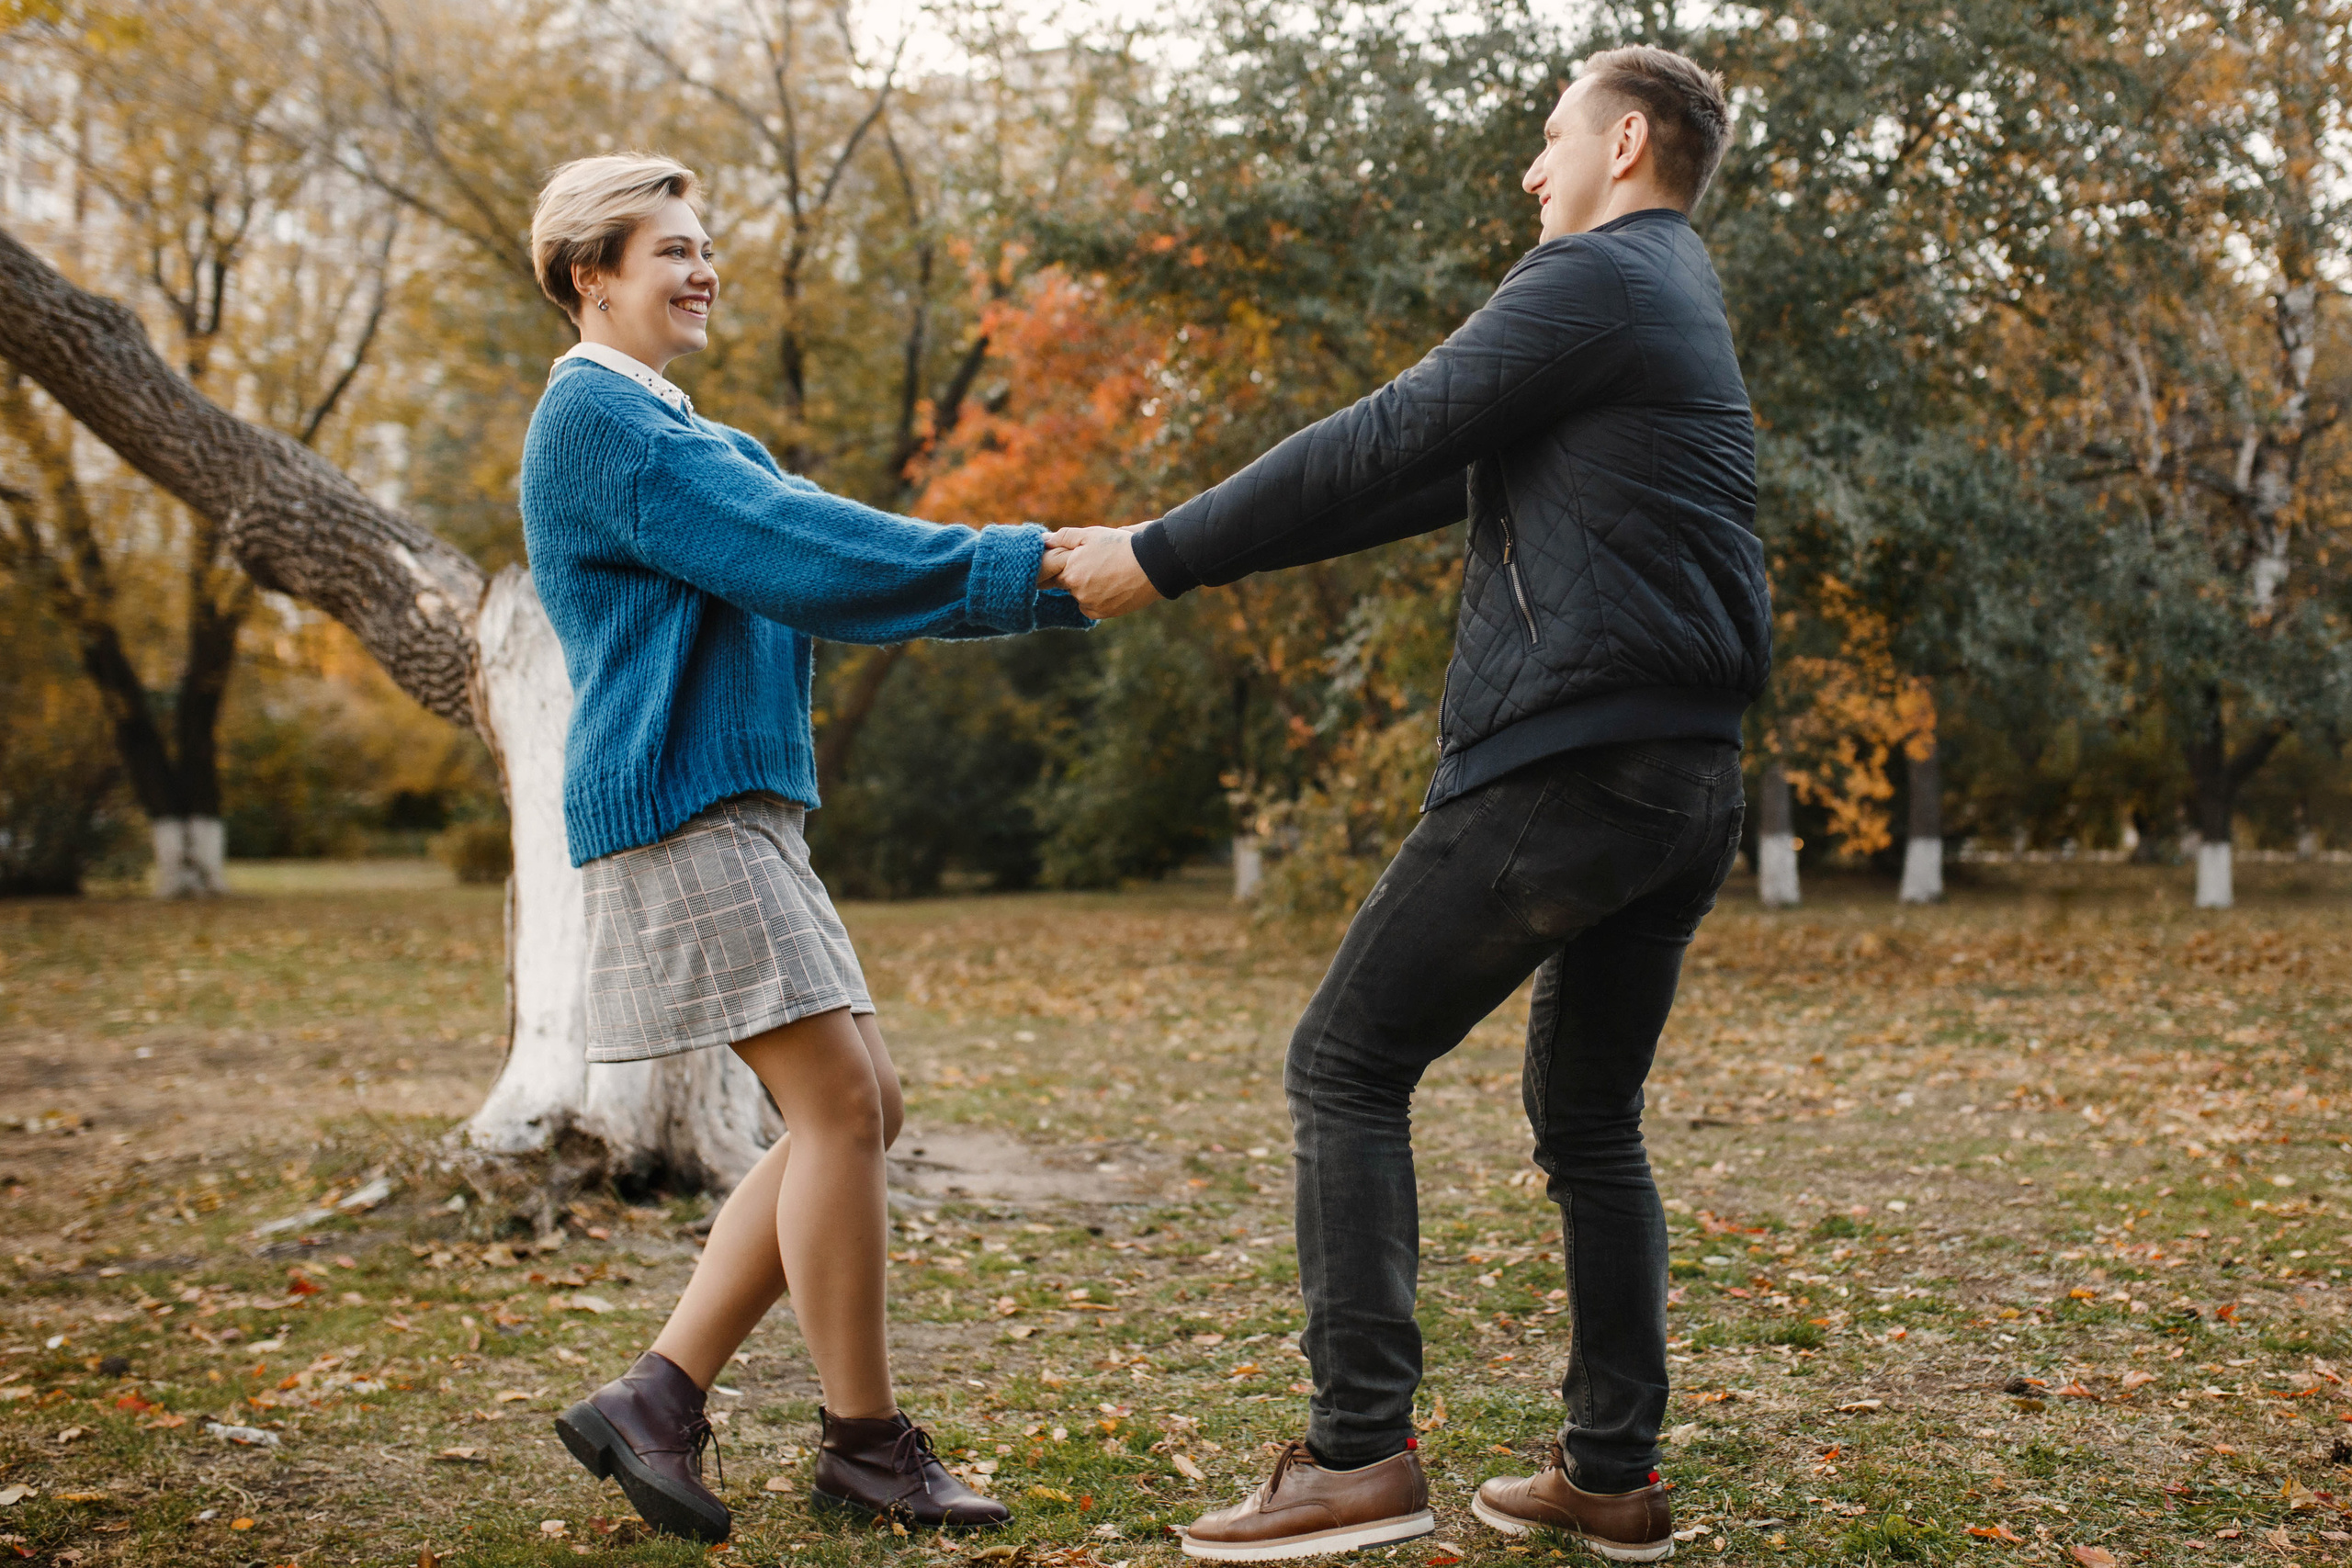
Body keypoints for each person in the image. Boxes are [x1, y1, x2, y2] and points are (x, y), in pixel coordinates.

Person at [1050, 46, 1767, 1564]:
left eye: (1551, 136)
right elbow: (1418, 479)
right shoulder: (1669, 290)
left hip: (1572, 764)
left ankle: (1358, 1455)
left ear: (1625, 141)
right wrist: (1196, 556)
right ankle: (1611, 1476)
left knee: (1347, 1062)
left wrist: (1159, 553)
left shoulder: (1599, 276)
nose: (1531, 170)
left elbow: (1386, 427)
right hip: (1687, 775)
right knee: (1590, 1122)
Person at [517, 152, 1087, 1544]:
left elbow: (800, 540)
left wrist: (1019, 572)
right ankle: (865, 1447)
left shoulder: (670, 426)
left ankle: (661, 1394)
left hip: (735, 803)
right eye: (671, 251)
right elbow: (802, 547)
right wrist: (1032, 567)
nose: (702, 270)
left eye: (708, 247)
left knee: (863, 1106)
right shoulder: (606, 423)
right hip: (682, 803)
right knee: (839, 1106)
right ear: (591, 274)